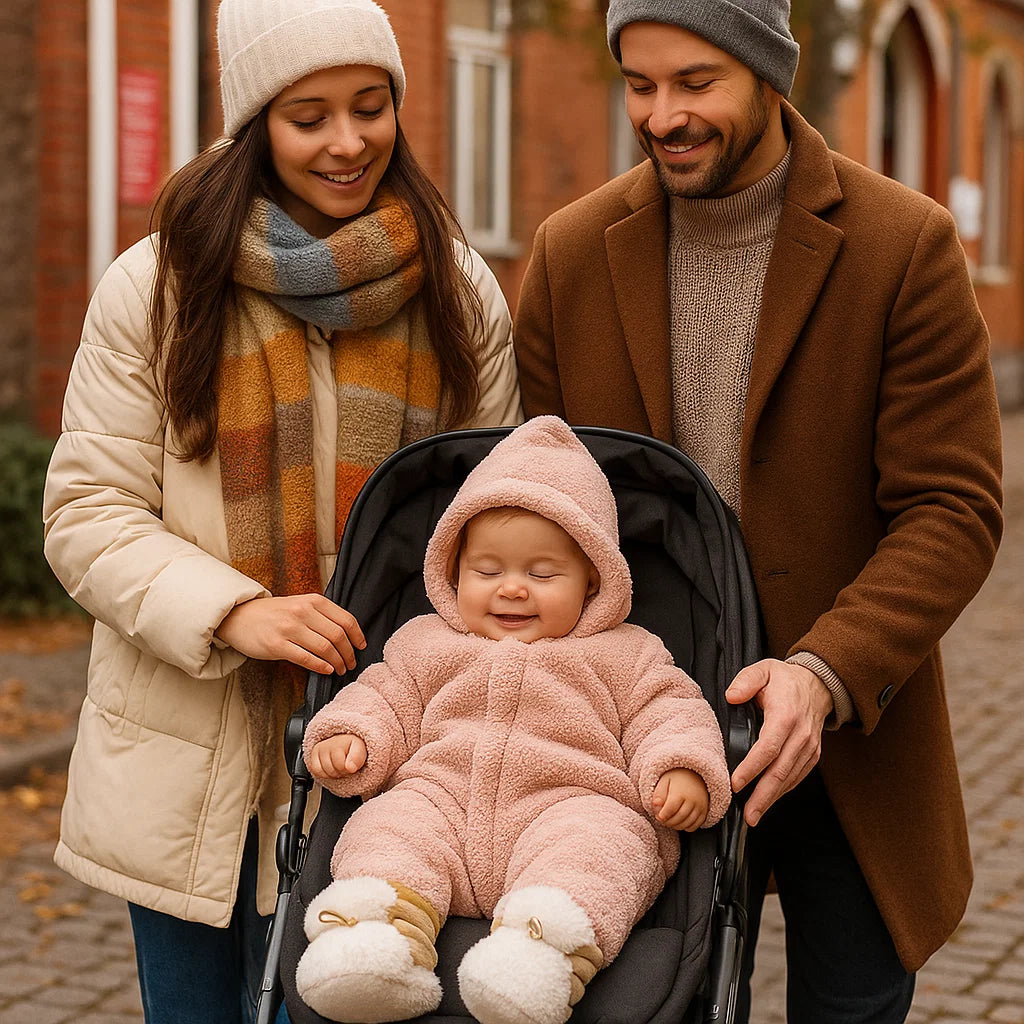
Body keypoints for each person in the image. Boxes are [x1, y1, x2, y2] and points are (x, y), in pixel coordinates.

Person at [512, 2, 1004, 1021]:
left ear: (768, 70)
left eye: (695, 83)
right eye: (639, 85)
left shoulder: (903, 248)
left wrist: (822, 672)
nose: (661, 116)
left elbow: (950, 508)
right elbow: (543, 505)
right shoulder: (566, 256)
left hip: (848, 741)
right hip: (633, 745)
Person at [41, 1, 522, 1021]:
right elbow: (87, 510)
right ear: (255, 120)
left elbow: (496, 519)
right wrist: (233, 610)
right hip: (191, 770)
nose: (348, 142)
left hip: (386, 767)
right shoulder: (161, 285)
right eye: (310, 116)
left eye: (369, 106)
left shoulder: (458, 288)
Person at [292, 416, 731, 1024]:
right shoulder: (425, 642)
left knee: (604, 847)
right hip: (440, 800)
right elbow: (383, 695)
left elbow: (672, 712)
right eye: (488, 571)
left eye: (543, 574)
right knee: (389, 825)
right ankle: (378, 940)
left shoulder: (628, 652)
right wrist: (350, 736)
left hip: (571, 803)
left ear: (593, 580)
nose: (513, 590)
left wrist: (683, 769)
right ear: (453, 572)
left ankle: (539, 955)